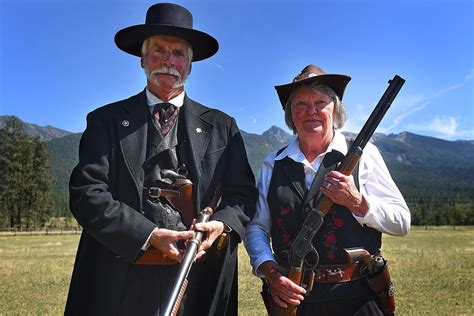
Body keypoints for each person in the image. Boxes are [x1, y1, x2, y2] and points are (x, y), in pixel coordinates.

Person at [65, 3, 257, 315]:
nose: (169, 61)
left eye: (179, 53)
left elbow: (242, 195)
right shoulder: (105, 120)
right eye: (159, 50)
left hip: (198, 279)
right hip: (119, 278)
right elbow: (87, 194)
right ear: (142, 59)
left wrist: (220, 225)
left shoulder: (223, 127)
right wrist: (149, 235)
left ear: (190, 65)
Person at [244, 64, 410, 315]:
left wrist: (357, 202)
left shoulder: (364, 154)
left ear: (335, 109)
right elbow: (257, 226)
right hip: (294, 298)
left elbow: (401, 221)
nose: (311, 111)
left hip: (357, 297)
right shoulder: (273, 163)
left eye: (320, 102)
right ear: (291, 113)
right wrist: (269, 270)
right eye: (300, 104)